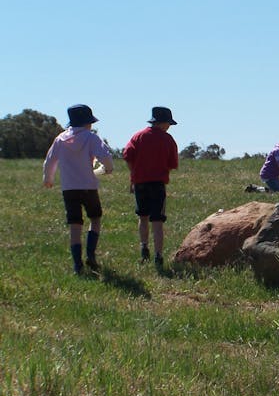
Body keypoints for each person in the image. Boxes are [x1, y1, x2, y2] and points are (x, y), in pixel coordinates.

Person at [42, 104, 114, 274]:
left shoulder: (60, 139)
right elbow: (105, 156)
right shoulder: (91, 138)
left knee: (75, 224)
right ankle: (90, 255)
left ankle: (77, 264)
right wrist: (108, 168)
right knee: (95, 218)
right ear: (87, 123)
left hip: (69, 188)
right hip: (88, 186)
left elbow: (50, 161)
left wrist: (48, 179)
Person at [122, 107, 179, 270]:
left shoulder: (138, 136)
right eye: (169, 123)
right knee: (158, 221)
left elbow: (127, 156)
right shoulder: (168, 140)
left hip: (140, 183)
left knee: (143, 216)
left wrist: (133, 175)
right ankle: (158, 256)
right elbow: (172, 164)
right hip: (158, 184)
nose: (169, 127)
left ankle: (144, 247)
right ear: (164, 123)